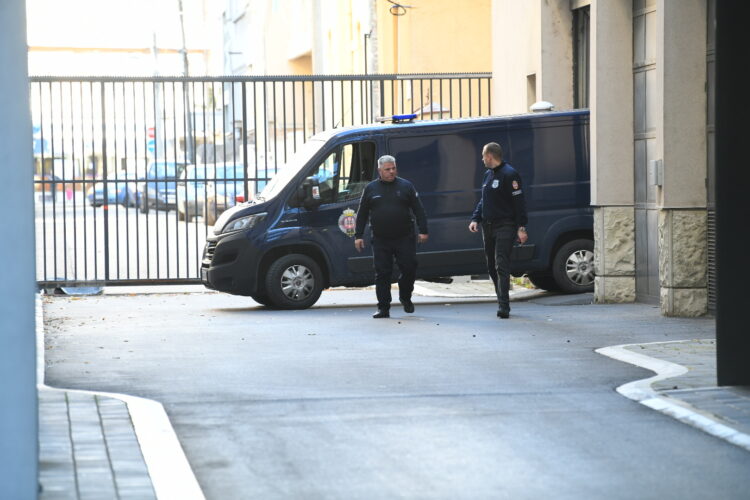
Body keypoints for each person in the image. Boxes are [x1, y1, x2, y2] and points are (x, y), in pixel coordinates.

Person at [355, 155, 429, 318]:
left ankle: (405, 296)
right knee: (382, 273)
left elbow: (419, 209)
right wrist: (358, 235)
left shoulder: (406, 186)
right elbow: (362, 213)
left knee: (409, 268)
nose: (391, 172)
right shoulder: (371, 188)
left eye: (393, 168)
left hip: (404, 237)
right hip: (381, 239)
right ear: (379, 170)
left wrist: (423, 230)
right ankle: (383, 308)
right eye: (387, 169)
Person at [469, 142, 528, 319]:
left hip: (505, 225)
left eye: (483, 156)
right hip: (487, 226)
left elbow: (519, 203)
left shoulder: (510, 174)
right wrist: (475, 218)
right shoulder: (488, 175)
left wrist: (521, 227)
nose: (482, 159)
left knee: (501, 264)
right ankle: (500, 298)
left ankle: (504, 306)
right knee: (491, 266)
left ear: (489, 156)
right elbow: (484, 200)